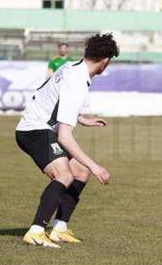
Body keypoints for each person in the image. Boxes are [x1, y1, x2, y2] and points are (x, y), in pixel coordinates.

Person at [16, 33, 119, 248]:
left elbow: (53, 97)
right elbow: (64, 136)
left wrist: (82, 119)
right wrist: (95, 166)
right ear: (105, 60)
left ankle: (59, 229)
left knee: (80, 173)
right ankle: (36, 231)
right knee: (64, 174)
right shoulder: (78, 81)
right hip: (34, 130)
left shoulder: (73, 66)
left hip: (42, 127)